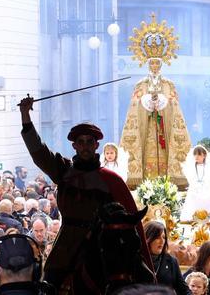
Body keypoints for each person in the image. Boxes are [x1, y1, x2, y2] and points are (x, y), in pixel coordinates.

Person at [18, 95, 151, 292]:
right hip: (66, 245)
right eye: (81, 142)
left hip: (104, 245)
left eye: (90, 142)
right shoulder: (63, 171)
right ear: (75, 146)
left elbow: (130, 224)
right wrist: (25, 116)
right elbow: (39, 152)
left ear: (97, 145)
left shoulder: (111, 180)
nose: (86, 146)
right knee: (49, 285)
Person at [120, 15, 192, 189]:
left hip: (164, 130)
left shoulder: (168, 84)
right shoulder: (141, 84)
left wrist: (163, 103)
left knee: (166, 154)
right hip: (146, 131)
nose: (154, 66)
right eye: (151, 63)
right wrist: (145, 103)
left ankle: (169, 182)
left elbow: (176, 107)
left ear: (161, 64)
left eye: (157, 63)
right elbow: (133, 109)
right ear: (147, 63)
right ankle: (144, 183)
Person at [145, 221, 189, 295]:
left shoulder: (171, 261)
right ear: (148, 238)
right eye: (157, 237)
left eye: (164, 237)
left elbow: (183, 289)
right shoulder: (138, 261)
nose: (162, 241)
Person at [180, 145, 210, 221]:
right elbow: (191, 179)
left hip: (207, 191)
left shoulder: (209, 167)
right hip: (195, 191)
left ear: (204, 155)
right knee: (192, 208)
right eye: (195, 154)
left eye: (199, 154)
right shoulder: (191, 167)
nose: (196, 156)